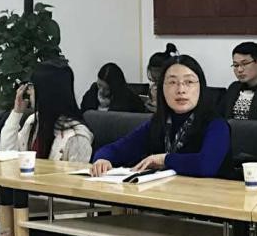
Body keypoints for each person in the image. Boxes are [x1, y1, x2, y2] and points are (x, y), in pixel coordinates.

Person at [91, 54, 231, 178]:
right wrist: (103, 159)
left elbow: (206, 165)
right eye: (172, 82)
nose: (181, 90)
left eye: (189, 82)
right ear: (162, 88)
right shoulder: (158, 123)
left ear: (201, 87)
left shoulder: (216, 124)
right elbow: (115, 150)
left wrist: (164, 160)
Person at [1, 61, 93, 161]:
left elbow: (78, 171)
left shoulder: (77, 137)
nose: (29, 91)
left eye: (32, 86)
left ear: (46, 92)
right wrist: (16, 113)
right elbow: (7, 154)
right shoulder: (34, 121)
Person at [80, 62, 147, 114]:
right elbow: (83, 113)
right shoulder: (93, 92)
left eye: (106, 89)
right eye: (99, 85)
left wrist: (106, 107)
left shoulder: (129, 99)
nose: (101, 90)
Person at [142, 43, 177, 112]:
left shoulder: (175, 89)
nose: (156, 74)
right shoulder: (153, 87)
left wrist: (155, 102)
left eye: (158, 71)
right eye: (153, 71)